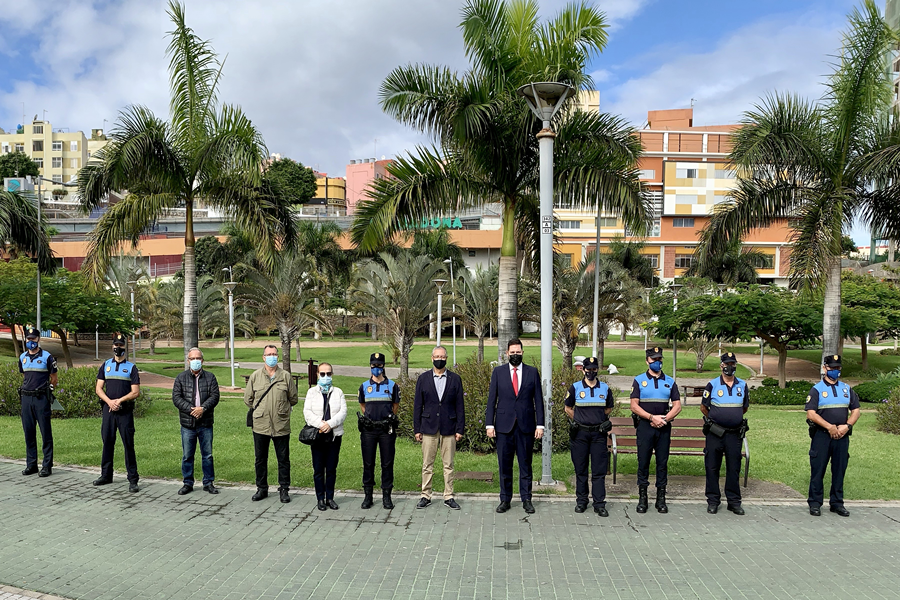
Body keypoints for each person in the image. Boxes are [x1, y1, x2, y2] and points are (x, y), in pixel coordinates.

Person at [485, 338, 545, 514]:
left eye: (518, 352)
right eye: (512, 353)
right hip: (504, 427)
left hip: (526, 426)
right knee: (505, 464)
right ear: (507, 354)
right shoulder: (498, 372)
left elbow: (538, 401)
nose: (515, 355)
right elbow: (491, 401)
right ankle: (505, 499)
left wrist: (540, 424)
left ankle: (527, 499)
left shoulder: (532, 372)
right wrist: (489, 424)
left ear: (523, 353)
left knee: (525, 464)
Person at [805, 354, 861, 517]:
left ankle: (837, 503)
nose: (835, 371)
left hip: (842, 436)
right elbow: (811, 413)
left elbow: (856, 410)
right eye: (832, 368)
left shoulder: (846, 388)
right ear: (825, 368)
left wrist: (847, 426)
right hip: (822, 436)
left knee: (839, 470)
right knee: (818, 470)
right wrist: (829, 427)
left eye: (838, 368)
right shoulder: (816, 390)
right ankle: (815, 503)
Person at [630, 346, 681, 514]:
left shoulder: (670, 381)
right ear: (647, 361)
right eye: (654, 360)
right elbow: (634, 405)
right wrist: (652, 417)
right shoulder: (638, 380)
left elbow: (677, 405)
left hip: (664, 426)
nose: (657, 363)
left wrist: (664, 419)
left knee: (662, 463)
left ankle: (661, 499)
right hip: (645, 426)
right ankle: (643, 498)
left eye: (659, 360)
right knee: (643, 462)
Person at [244, 345, 298, 503]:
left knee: (283, 459)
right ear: (263, 357)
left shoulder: (286, 376)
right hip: (260, 425)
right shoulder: (255, 376)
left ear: (278, 357)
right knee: (260, 458)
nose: (272, 357)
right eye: (269, 354)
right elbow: (248, 399)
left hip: (281, 425)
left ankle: (284, 488)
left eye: (274, 354)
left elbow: (293, 398)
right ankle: (262, 488)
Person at [413, 346, 465, 511]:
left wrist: (460, 429)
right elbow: (417, 406)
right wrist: (417, 429)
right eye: (437, 356)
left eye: (442, 356)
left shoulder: (455, 379)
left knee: (448, 464)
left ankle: (448, 496)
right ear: (432, 358)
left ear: (446, 358)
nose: (439, 359)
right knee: (427, 464)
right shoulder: (423, 379)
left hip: (449, 428)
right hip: (428, 428)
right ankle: (425, 495)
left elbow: (460, 406)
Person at [700, 352, 749, 515]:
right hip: (715, 433)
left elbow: (744, 408)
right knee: (712, 467)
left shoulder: (742, 385)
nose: (730, 367)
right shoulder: (712, 385)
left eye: (733, 364)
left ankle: (734, 502)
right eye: (727, 364)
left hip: (734, 434)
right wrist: (716, 419)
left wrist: (732, 417)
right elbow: (703, 407)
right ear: (721, 366)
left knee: (734, 468)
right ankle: (713, 500)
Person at [565, 357, 614, 516]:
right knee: (581, 469)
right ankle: (581, 501)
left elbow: (608, 409)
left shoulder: (605, 388)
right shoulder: (575, 388)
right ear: (582, 369)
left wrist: (596, 419)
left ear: (597, 370)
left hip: (598, 434)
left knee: (599, 471)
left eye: (594, 369)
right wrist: (580, 420)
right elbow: (568, 408)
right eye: (588, 369)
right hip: (580, 434)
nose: (591, 372)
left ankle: (599, 504)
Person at [93, 333, 141, 492]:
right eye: (116, 345)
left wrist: (119, 401)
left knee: (128, 444)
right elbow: (98, 388)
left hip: (124, 412)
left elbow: (135, 392)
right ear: (112, 346)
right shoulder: (105, 365)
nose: (118, 348)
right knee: (107, 442)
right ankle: (106, 475)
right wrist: (109, 402)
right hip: (108, 411)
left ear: (125, 347)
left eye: (121, 345)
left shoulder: (131, 368)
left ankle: (133, 479)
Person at [172, 347, 220, 496]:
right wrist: (192, 409)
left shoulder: (210, 377)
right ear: (188, 361)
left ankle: (208, 482)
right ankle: (188, 483)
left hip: (205, 423)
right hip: (188, 424)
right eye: (192, 359)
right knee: (187, 455)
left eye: (197, 359)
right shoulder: (181, 378)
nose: (195, 361)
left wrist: (203, 408)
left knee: (207, 455)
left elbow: (215, 396)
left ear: (202, 360)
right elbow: (176, 398)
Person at [357, 352, 401, 510]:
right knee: (368, 463)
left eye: (379, 365)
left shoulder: (392, 386)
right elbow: (363, 406)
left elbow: (395, 406)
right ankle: (368, 496)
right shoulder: (363, 386)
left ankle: (386, 496)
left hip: (386, 429)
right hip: (369, 429)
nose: (376, 368)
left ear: (384, 366)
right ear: (370, 366)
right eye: (374, 365)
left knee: (387, 463)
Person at [303, 362, 347, 511]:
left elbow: (343, 412)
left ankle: (330, 497)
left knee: (331, 469)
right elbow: (307, 413)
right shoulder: (311, 392)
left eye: (328, 374)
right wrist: (320, 424)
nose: (325, 377)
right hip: (318, 436)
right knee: (318, 469)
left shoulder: (338, 392)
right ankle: (320, 498)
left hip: (334, 435)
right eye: (322, 374)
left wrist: (330, 424)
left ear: (332, 375)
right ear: (317, 375)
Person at [17, 326, 58, 477]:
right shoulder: (23, 357)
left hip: (41, 398)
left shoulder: (47, 357)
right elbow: (25, 377)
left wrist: (50, 390)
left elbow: (54, 378)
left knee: (45, 432)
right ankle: (31, 464)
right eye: (28, 339)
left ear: (38, 339)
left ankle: (47, 466)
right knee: (29, 432)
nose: (31, 341)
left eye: (33, 339)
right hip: (26, 398)